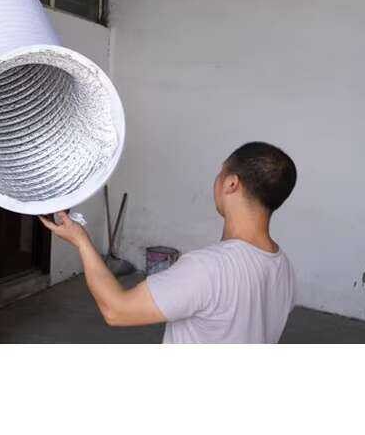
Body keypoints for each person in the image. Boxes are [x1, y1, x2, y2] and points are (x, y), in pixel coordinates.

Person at [40, 142, 298, 344]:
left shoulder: (209, 268)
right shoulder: (283, 266)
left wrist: (82, 241)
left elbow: (117, 310)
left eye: (221, 172)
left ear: (231, 184)